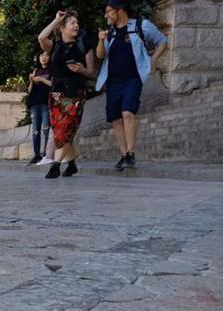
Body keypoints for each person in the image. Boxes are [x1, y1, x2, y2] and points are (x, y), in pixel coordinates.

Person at [96, 0, 168, 170]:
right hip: (113, 82)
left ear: (119, 10)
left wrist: (153, 60)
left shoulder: (141, 26)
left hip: (132, 79)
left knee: (127, 113)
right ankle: (124, 155)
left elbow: (163, 41)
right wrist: (101, 40)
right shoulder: (110, 32)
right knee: (115, 119)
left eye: (109, 11)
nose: (106, 15)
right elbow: (100, 55)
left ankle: (131, 152)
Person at [38, 9, 96, 179]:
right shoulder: (54, 45)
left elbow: (92, 72)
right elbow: (41, 38)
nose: (76, 25)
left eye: (77, 23)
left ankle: (55, 166)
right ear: (63, 27)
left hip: (76, 92)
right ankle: (71, 165)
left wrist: (82, 70)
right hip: (56, 93)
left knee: (66, 127)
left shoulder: (84, 45)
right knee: (60, 131)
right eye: (72, 23)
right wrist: (56, 20)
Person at [26, 51, 52, 164]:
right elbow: (29, 90)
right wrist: (31, 81)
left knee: (46, 129)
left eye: (46, 55)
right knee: (35, 130)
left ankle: (46, 154)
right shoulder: (36, 71)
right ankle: (36, 155)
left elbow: (53, 85)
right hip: (34, 103)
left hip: (46, 103)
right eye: (41, 55)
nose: (43, 58)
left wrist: (41, 80)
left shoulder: (52, 70)